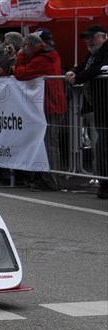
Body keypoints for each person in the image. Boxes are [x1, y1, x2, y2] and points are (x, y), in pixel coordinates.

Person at [14, 33, 67, 191]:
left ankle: (51, 180)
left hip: (49, 105)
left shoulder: (42, 59)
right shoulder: (49, 55)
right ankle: (47, 177)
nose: (22, 50)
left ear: (30, 46)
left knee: (50, 144)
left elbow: (20, 73)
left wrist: (20, 57)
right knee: (47, 144)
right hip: (49, 104)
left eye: (24, 47)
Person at [65, 24, 108, 199]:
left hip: (104, 105)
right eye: (86, 38)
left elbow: (100, 68)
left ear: (104, 36)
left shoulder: (105, 51)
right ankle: (104, 183)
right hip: (98, 107)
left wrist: (78, 78)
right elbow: (82, 66)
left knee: (103, 146)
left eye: (93, 37)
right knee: (102, 146)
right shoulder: (93, 54)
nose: (89, 41)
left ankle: (104, 184)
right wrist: (72, 71)